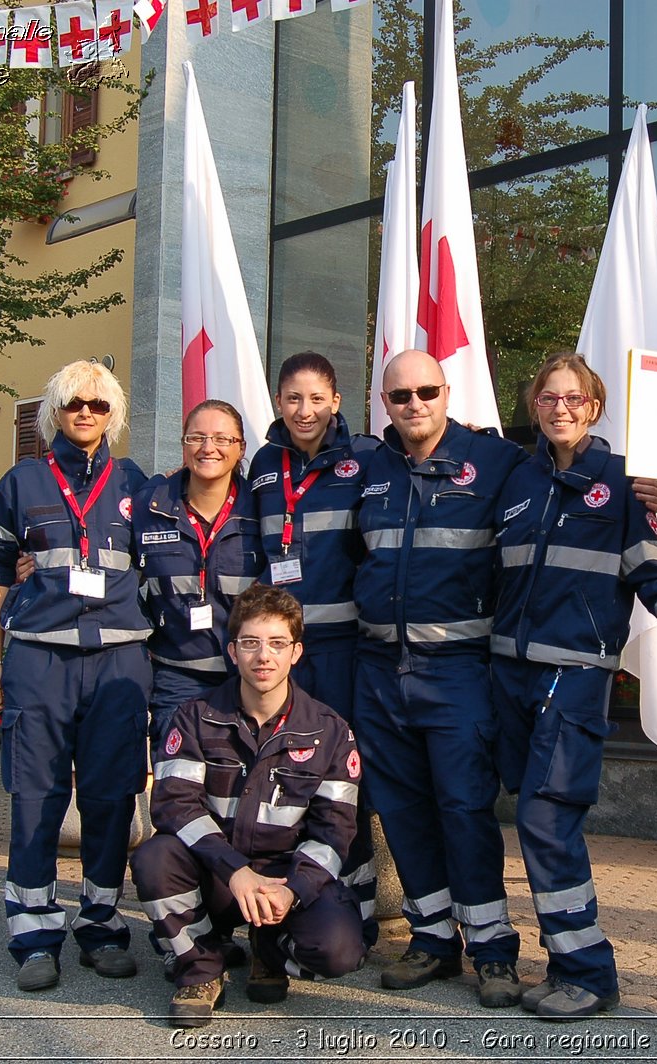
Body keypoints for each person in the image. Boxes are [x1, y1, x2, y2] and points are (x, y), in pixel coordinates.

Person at [491, 352, 657, 1020]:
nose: (561, 409)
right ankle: (560, 962)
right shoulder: (514, 479)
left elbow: (654, 573)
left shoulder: (621, 485)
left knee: (545, 818)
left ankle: (589, 974)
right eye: (548, 398)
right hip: (506, 677)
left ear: (594, 407)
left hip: (575, 678)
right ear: (535, 406)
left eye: (574, 399)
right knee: (517, 814)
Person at [351, 349, 527, 1008]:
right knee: (402, 812)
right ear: (384, 402)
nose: (414, 403)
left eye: (426, 391)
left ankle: (492, 948)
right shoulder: (366, 468)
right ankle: (430, 939)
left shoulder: (497, 462)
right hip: (378, 674)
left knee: (463, 809)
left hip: (455, 674)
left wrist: (635, 486)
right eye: (400, 395)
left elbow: (565, 478)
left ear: (446, 392)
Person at [0, 360, 152, 992]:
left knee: (110, 798)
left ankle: (101, 924)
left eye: (99, 405)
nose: (86, 412)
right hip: (38, 660)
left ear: (114, 415)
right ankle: (33, 931)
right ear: (55, 410)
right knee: (36, 797)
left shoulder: (139, 483)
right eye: (74, 403)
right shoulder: (20, 483)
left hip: (119, 661)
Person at [130, 584, 365, 1028]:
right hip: (220, 876)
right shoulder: (195, 717)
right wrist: (235, 871)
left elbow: (334, 833)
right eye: (251, 643)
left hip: (286, 884)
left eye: (277, 644)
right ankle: (200, 968)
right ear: (232, 650)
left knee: (339, 952)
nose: (264, 657)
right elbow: (175, 806)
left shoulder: (330, 732)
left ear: (296, 652)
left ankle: (268, 948)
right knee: (154, 857)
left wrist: (291, 890)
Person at [247, 352, 380, 944]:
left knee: (348, 778)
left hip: (345, 647)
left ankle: (362, 906)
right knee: (289, 774)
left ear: (336, 401)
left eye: (316, 398)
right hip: (283, 654)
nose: (305, 410)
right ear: (278, 402)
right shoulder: (261, 465)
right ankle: (297, 898)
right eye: (293, 399)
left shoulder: (368, 458)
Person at [134, 400, 263, 746]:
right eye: (197, 438)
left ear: (240, 449)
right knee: (177, 785)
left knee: (240, 789)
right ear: (183, 445)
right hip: (176, 677)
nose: (209, 448)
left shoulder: (263, 509)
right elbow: (114, 563)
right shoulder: (150, 506)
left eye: (222, 439)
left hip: (248, 679)